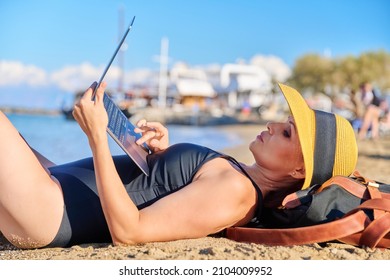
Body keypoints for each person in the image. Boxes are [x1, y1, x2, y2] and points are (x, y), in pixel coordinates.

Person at [0, 82, 358, 249]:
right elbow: (157, 195)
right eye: (283, 122)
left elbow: (130, 232)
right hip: (57, 187)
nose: (272, 126)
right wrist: (161, 158)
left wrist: (96, 135)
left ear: (299, 171)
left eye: (286, 133)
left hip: (52, 210)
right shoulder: (235, 176)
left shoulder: (238, 193)